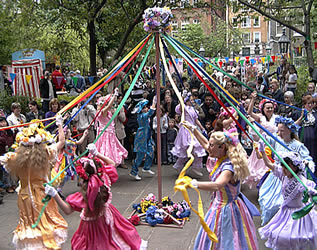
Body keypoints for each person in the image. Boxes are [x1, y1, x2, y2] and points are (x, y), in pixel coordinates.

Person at [45, 144, 147, 250]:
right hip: (108, 217)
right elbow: (111, 163)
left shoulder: (83, 195)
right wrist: (97, 153)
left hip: (91, 227)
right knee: (112, 239)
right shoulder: (103, 179)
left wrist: (54, 194)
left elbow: (67, 210)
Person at [183, 126, 259, 250]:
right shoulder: (221, 158)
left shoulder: (228, 167)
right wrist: (194, 129)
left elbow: (217, 185)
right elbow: (205, 144)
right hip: (220, 205)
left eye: (212, 145)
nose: (209, 148)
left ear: (222, 147)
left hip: (226, 209)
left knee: (228, 239)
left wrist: (193, 183)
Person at [0, 116, 68, 249]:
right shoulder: (46, 153)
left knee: (29, 224)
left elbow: (2, 159)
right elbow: (61, 142)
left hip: (25, 195)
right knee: (47, 221)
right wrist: (60, 124)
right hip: (43, 194)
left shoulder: (15, 158)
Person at [257, 116, 315, 225]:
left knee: (283, 203)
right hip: (277, 175)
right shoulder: (276, 139)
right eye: (278, 130)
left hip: (291, 176)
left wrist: (307, 163)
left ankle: (287, 226)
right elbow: (265, 138)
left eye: (282, 131)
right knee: (267, 200)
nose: (279, 133)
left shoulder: (297, 145)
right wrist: (261, 137)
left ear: (290, 130)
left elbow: (307, 159)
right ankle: (273, 225)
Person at [258, 150, 317, 250]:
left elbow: (312, 194)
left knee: (296, 238)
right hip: (285, 212)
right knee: (279, 235)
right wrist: (263, 152)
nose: (283, 169)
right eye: (283, 166)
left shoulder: (302, 181)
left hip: (298, 215)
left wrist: (312, 193)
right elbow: (268, 164)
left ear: (295, 167)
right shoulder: (283, 175)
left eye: (286, 166)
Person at [171, 93, 207, 177]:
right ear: (186, 101)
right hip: (185, 130)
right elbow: (180, 108)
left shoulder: (193, 109)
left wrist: (202, 128)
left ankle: (195, 167)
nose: (192, 101)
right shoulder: (184, 108)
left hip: (192, 129)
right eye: (190, 100)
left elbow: (196, 120)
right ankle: (178, 166)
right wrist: (182, 97)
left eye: (192, 100)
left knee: (198, 148)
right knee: (185, 149)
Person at [95, 89, 128, 167]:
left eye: (99, 104)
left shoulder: (105, 111)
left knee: (111, 149)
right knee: (107, 150)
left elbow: (110, 106)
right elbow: (109, 105)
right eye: (98, 104)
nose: (98, 106)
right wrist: (115, 95)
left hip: (109, 133)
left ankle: (108, 169)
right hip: (106, 134)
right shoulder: (103, 112)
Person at [130, 98, 156, 181]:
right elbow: (150, 113)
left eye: (147, 107)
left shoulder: (144, 115)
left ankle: (146, 167)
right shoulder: (141, 116)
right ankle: (134, 172)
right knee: (140, 155)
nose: (147, 108)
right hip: (141, 137)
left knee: (151, 151)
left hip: (147, 135)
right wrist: (154, 103)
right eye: (144, 107)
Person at [0, 116, 15, 193]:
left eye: (4, 122)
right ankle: (7, 185)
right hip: (2, 153)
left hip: (10, 151)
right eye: (1, 122)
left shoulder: (9, 131)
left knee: (11, 169)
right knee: (5, 170)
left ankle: (13, 184)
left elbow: (12, 139)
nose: (3, 124)